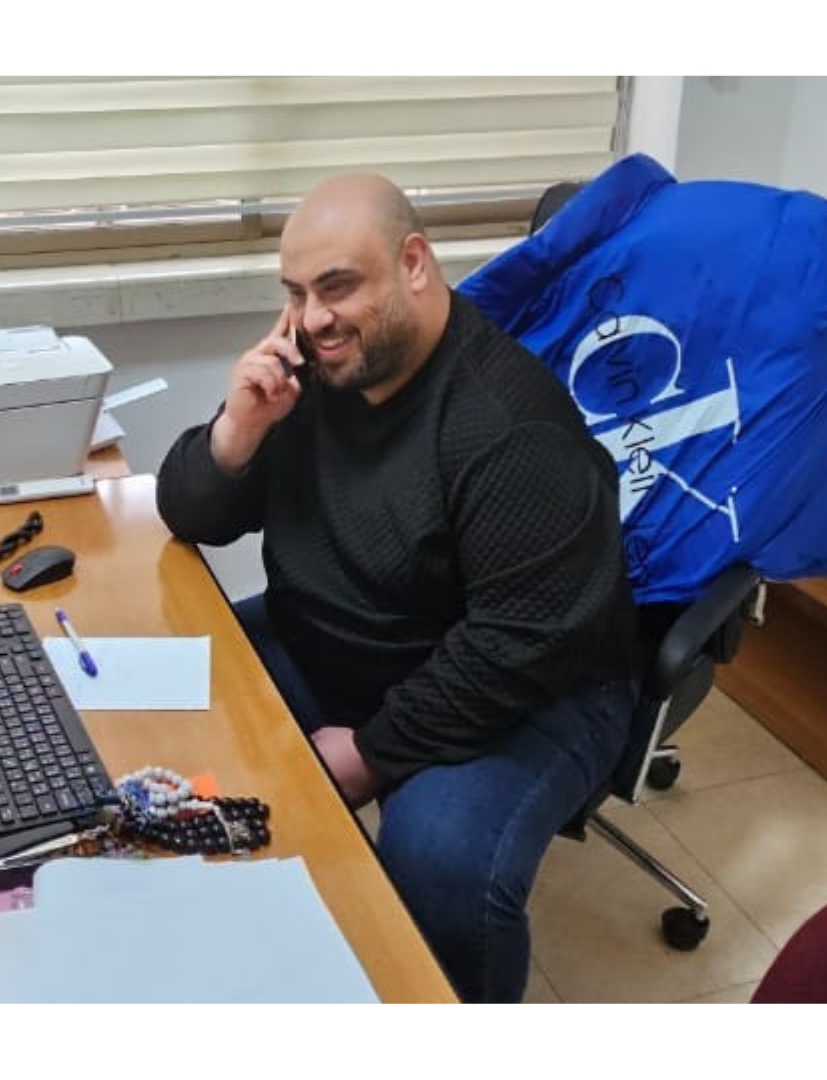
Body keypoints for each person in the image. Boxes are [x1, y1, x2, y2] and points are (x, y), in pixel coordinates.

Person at [155, 174, 640, 1003]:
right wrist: (239, 429)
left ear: (415, 263)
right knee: (182, 704)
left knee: (438, 855)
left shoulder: (509, 429)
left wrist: (372, 754)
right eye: (298, 294)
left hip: (529, 685)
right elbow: (189, 512)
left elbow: (515, 648)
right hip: (346, 633)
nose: (312, 319)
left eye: (338, 286)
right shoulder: (312, 376)